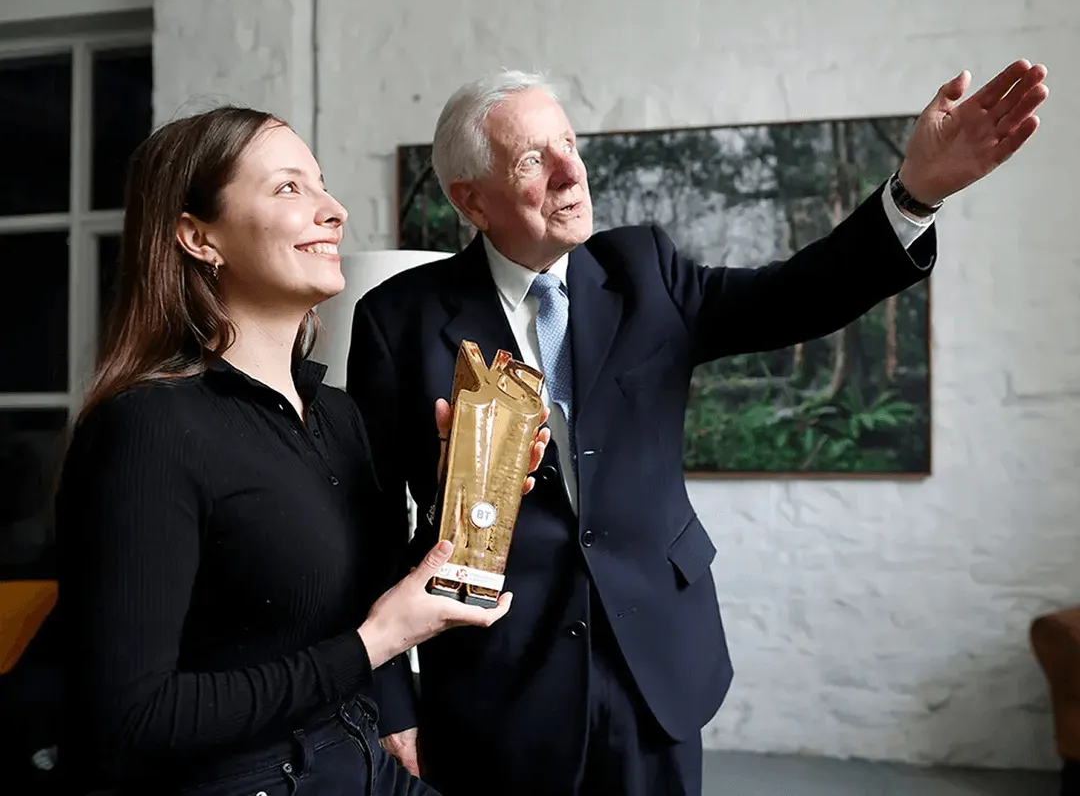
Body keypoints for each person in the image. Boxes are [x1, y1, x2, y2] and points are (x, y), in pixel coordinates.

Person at [346, 60, 1048, 796]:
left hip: (655, 664)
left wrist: (914, 194)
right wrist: (390, 698)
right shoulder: (398, 320)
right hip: (498, 685)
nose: (570, 171)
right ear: (471, 199)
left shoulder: (644, 271)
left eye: (569, 144)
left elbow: (795, 296)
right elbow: (368, 526)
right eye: (532, 159)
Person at [54, 106, 549, 795]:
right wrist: (376, 644)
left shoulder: (337, 417)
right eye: (289, 187)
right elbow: (131, 716)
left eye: (322, 184)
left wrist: (459, 498)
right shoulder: (147, 429)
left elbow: (353, 596)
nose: (334, 211)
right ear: (198, 237)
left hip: (353, 762)